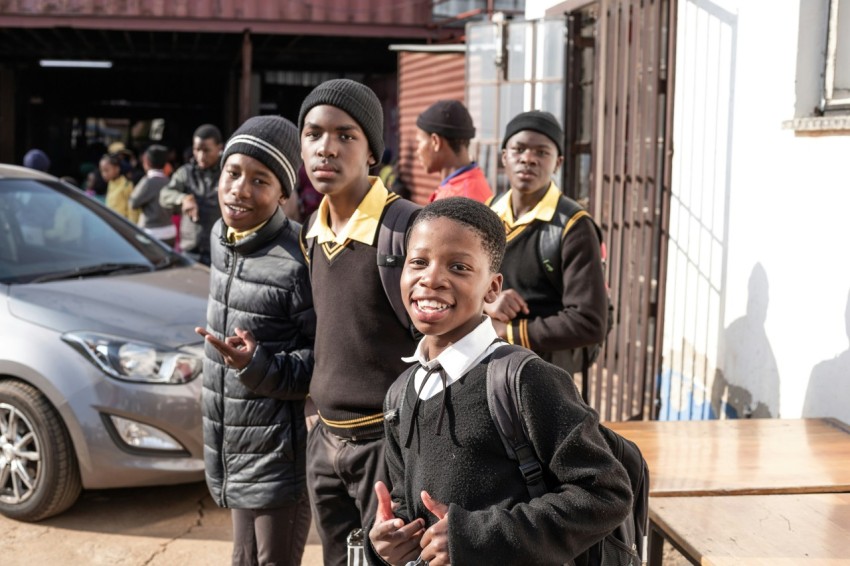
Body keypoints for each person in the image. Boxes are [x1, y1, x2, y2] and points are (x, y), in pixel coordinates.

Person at [366, 197, 632, 566]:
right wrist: (385, 544)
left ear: (492, 289)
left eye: (458, 267)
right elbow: (405, 506)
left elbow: (605, 492)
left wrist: (475, 537)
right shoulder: (401, 393)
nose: (431, 278)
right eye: (419, 262)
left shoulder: (525, 380)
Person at [297, 78, 420, 566]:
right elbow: (325, 329)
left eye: (345, 135)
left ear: (373, 153)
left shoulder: (406, 229)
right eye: (314, 133)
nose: (326, 148)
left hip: (386, 446)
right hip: (326, 441)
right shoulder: (313, 229)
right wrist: (313, 406)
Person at [194, 115, 315, 566]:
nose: (239, 190)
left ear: (283, 193)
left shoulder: (299, 258)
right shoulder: (220, 238)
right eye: (233, 173)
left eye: (260, 180)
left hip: (279, 455)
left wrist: (256, 364)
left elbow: (326, 362)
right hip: (231, 442)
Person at [486, 110, 609, 376]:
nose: (528, 159)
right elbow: (461, 284)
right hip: (486, 362)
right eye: (519, 149)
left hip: (542, 371)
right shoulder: (487, 214)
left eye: (542, 153)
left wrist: (507, 331)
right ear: (504, 156)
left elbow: (589, 321)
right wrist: (486, 304)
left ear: (558, 163)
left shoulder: (573, 226)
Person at [159, 123, 224, 265]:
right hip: (190, 251)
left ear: (220, 148)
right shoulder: (186, 173)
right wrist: (183, 198)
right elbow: (164, 194)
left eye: (206, 150)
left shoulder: (228, 173)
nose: (201, 156)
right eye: (197, 149)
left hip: (220, 252)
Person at [414, 99, 492, 203]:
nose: (417, 151)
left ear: (435, 142)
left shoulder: (461, 202)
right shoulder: (468, 184)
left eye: (419, 142)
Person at [128, 144, 177, 248]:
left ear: (146, 161)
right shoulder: (170, 181)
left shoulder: (148, 182)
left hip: (151, 232)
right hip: (169, 231)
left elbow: (132, 203)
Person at [99, 152, 140, 223]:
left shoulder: (127, 185)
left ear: (117, 169)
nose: (104, 174)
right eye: (102, 171)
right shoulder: (111, 183)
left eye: (106, 170)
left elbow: (133, 210)